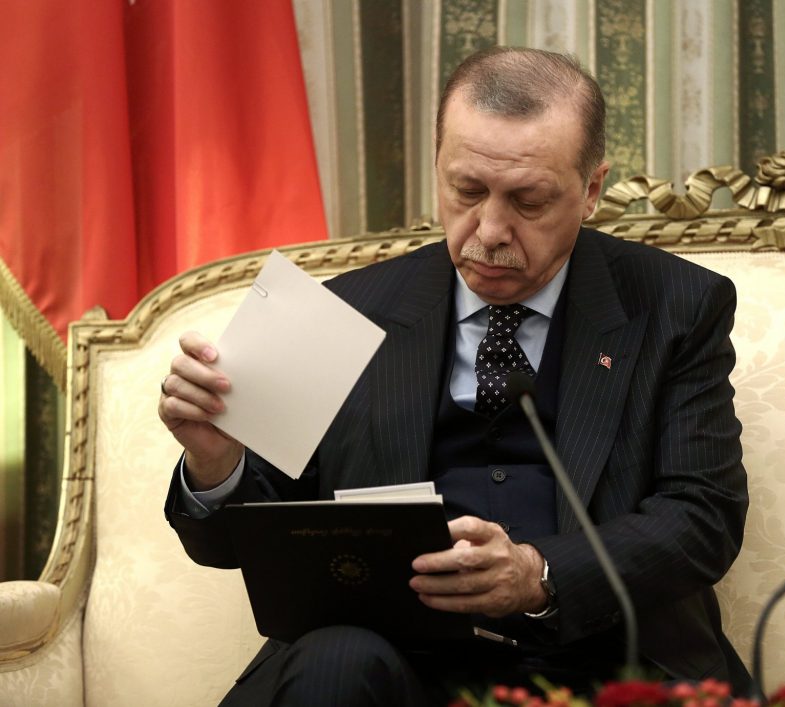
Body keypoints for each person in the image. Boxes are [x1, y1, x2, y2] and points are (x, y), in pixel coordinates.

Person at [159, 46, 750, 705]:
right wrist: (217, 462)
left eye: (528, 200)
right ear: (437, 166)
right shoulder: (341, 311)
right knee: (333, 664)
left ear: (590, 190)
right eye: (466, 192)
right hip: (390, 665)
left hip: (603, 652)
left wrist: (538, 572)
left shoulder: (676, 307)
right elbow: (235, 545)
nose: (489, 231)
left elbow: (703, 516)